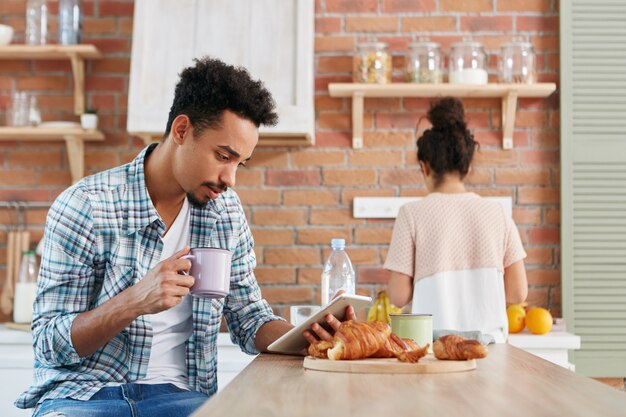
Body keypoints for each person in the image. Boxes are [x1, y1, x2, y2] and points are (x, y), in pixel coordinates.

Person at [16, 57, 354, 417]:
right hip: (84, 396)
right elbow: (49, 344)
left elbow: (249, 318)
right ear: (181, 131)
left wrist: (309, 336)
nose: (230, 179)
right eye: (223, 156)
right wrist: (134, 301)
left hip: (182, 399)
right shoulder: (86, 205)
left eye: (240, 163)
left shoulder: (224, 213)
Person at [384, 97, 528, 343]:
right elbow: (517, 292)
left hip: (434, 351)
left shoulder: (412, 214)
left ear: (425, 166)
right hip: (489, 351)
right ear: (468, 166)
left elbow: (397, 296)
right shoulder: (498, 213)